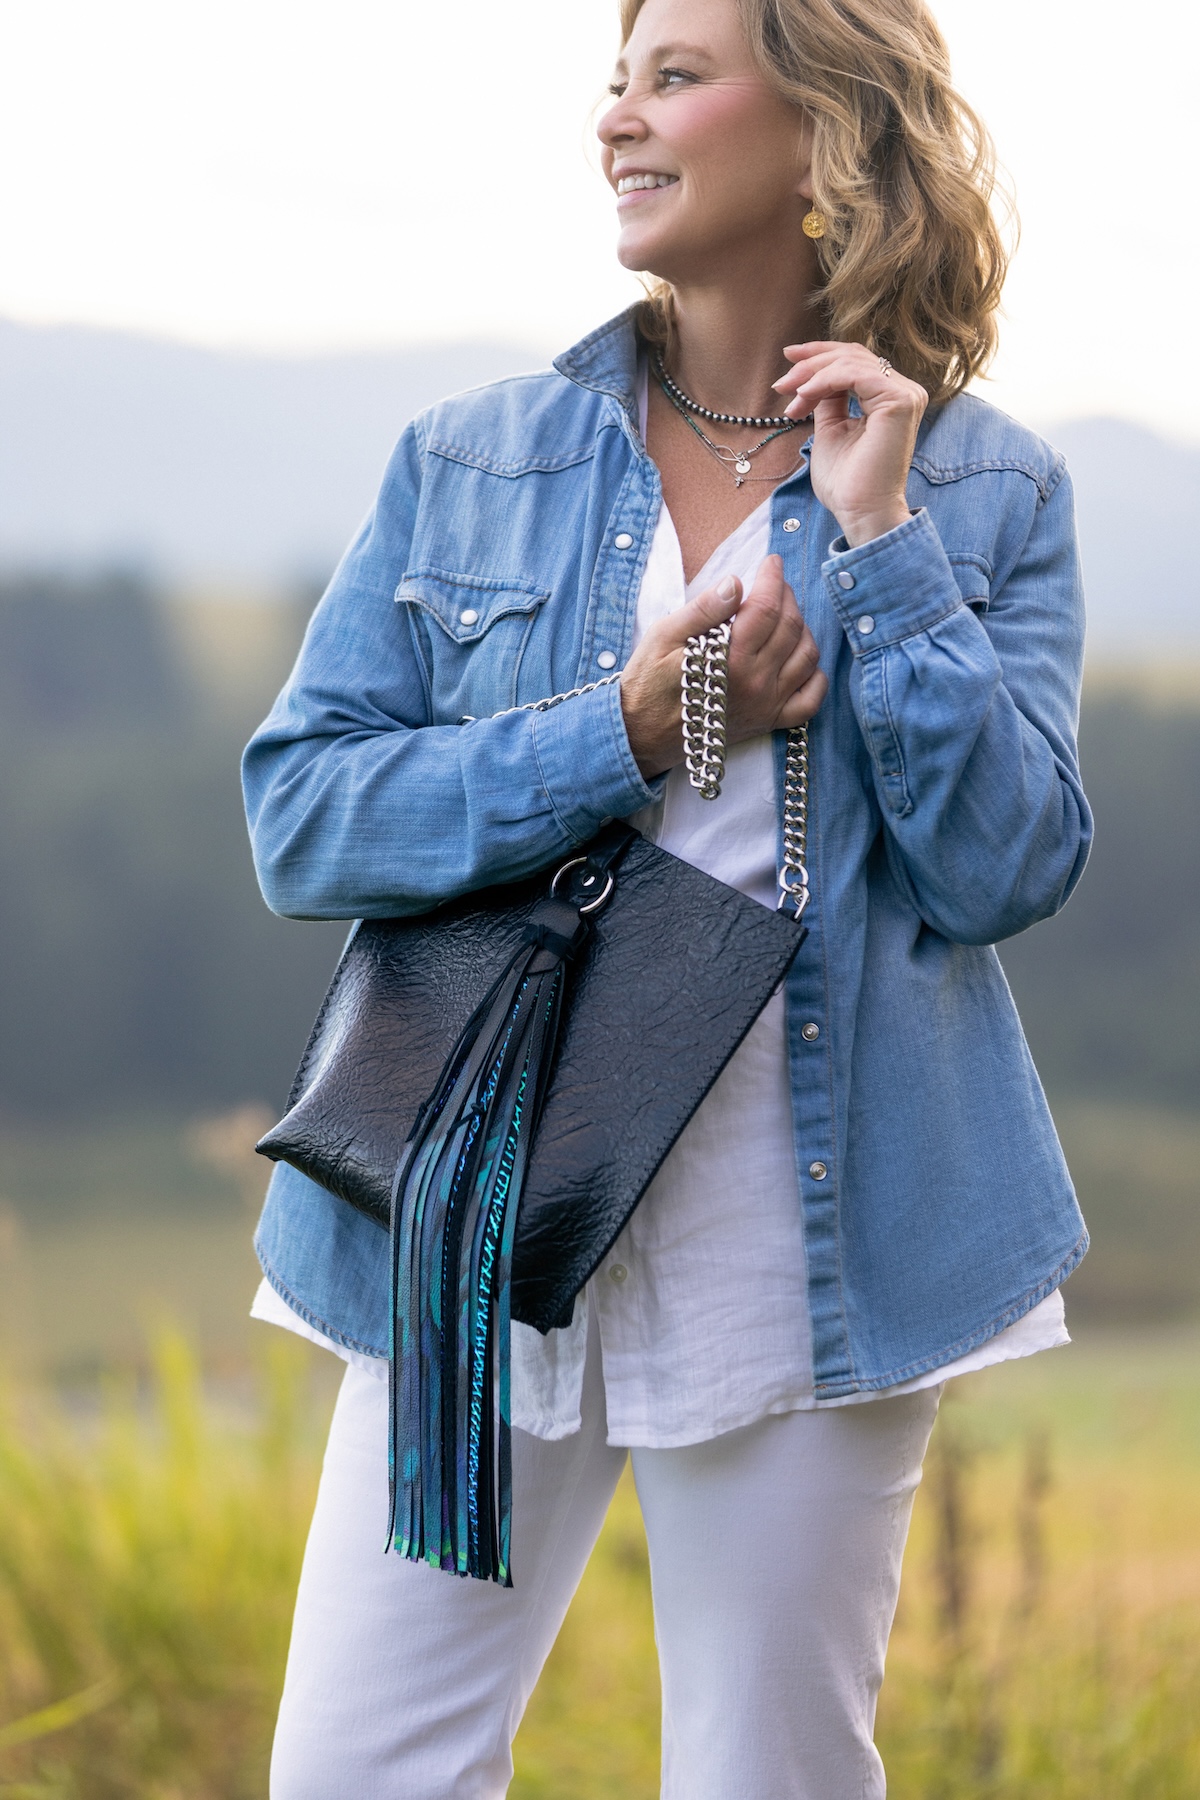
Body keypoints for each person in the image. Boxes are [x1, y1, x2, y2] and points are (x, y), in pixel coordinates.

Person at [241, 0, 1092, 1792]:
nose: (619, 119)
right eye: (615, 81)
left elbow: (1004, 867)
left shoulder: (985, 487)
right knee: (355, 1774)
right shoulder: (475, 458)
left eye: (675, 77)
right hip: (476, 1210)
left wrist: (883, 550)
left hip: (809, 1246)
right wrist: (641, 722)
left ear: (826, 130)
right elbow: (303, 818)